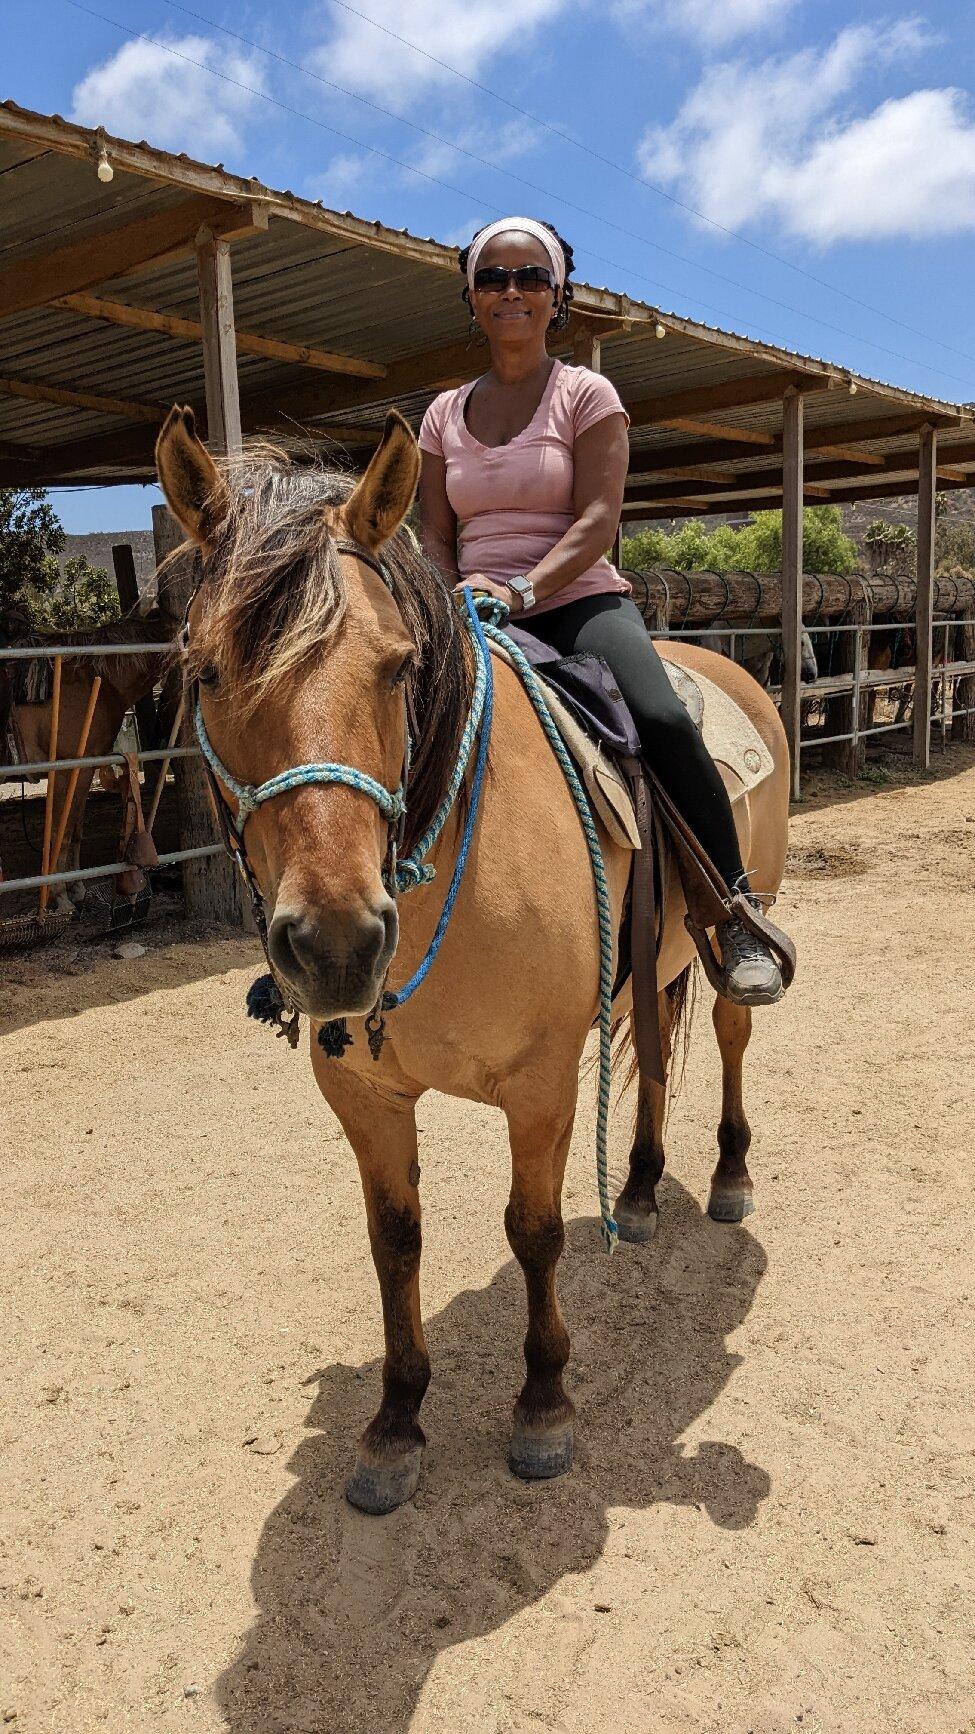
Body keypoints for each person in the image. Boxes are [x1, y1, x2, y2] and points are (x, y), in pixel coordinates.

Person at [417, 215, 789, 1006]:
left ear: (557, 297)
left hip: (573, 601)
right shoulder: (443, 413)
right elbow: (432, 532)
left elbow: (595, 520)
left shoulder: (586, 394)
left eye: (528, 278)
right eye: (493, 278)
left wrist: (519, 591)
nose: (509, 292)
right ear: (470, 298)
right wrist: (450, 593)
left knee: (658, 716)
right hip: (470, 609)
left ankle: (735, 912)